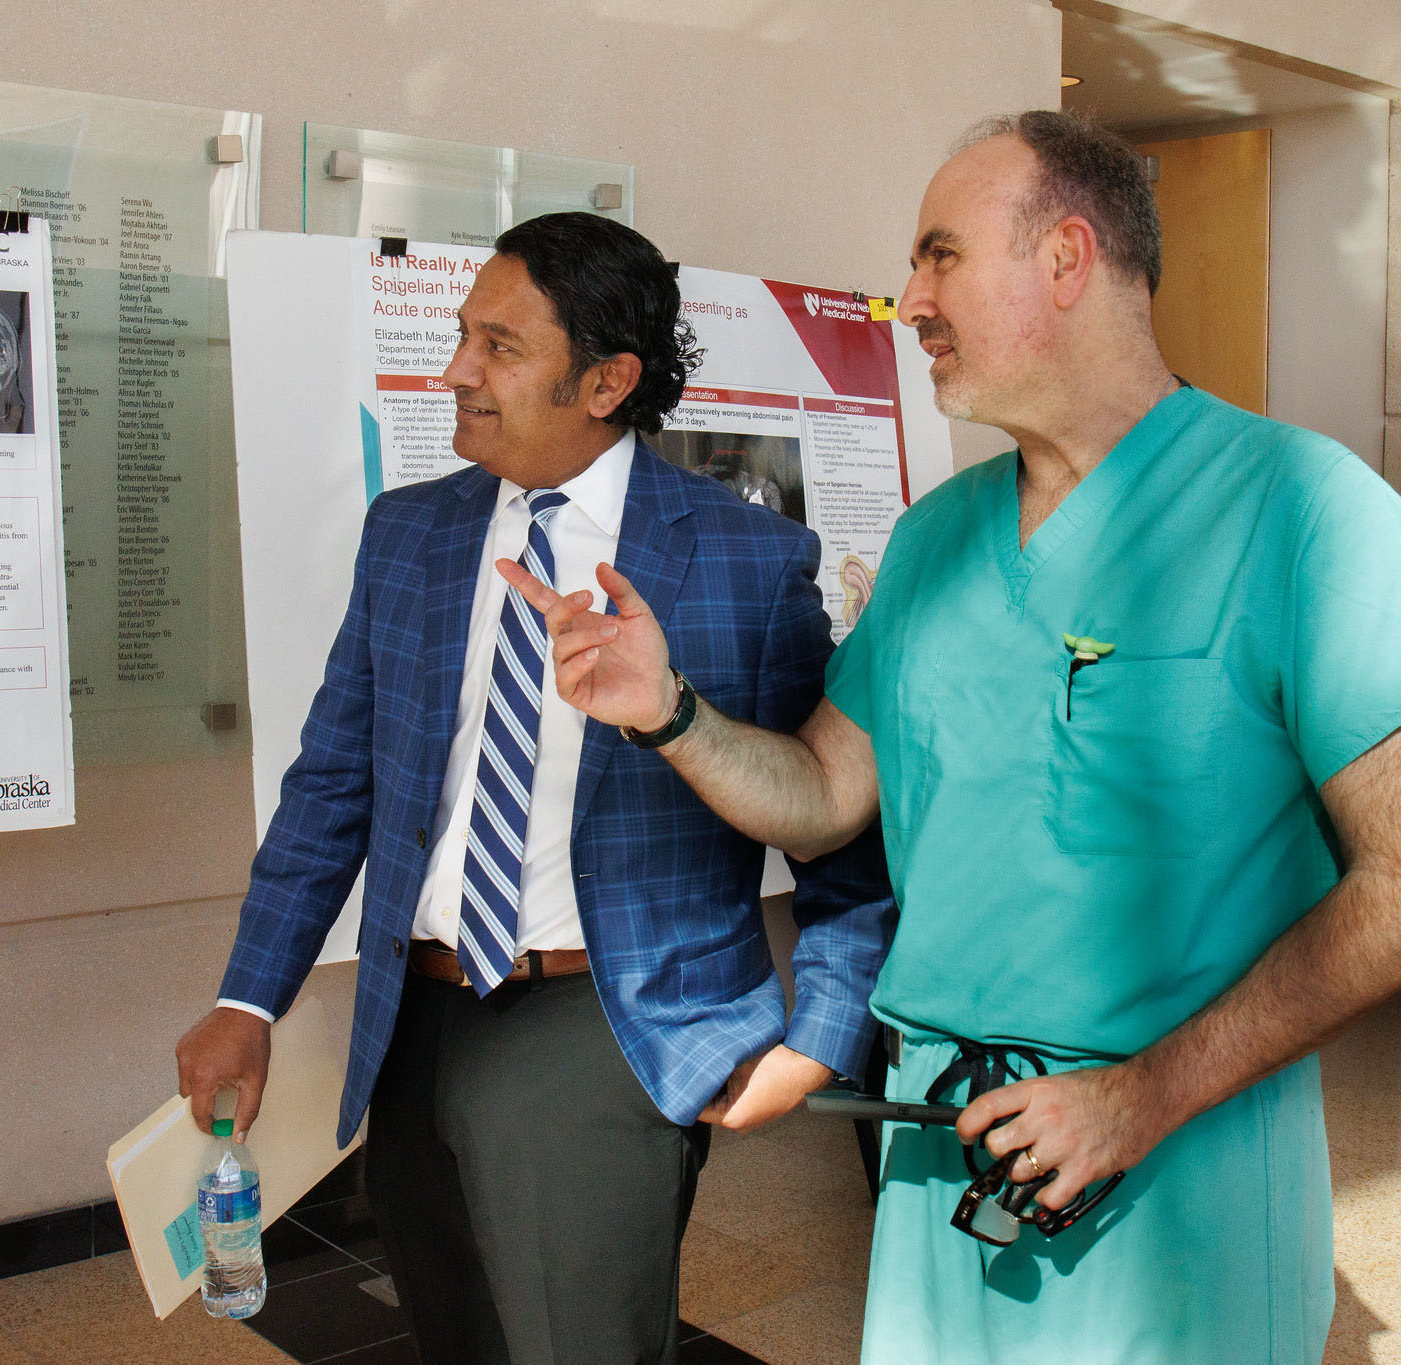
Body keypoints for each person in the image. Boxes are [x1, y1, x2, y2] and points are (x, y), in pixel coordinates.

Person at [501, 110, 1401, 1363]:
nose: (905, 300)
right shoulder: (935, 542)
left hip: (1175, 1168)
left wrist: (1142, 1097)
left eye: (937, 257)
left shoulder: (1303, 514)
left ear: (1065, 258)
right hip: (940, 1165)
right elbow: (820, 793)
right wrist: (670, 713)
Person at [176, 211, 894, 1364]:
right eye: (463, 335)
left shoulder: (746, 561)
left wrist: (820, 1035)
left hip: (605, 1023)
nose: (455, 369)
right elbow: (332, 786)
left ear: (605, 380)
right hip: (410, 1020)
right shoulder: (407, 533)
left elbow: (836, 828)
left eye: (498, 347)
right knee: (450, 1336)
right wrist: (248, 1000)